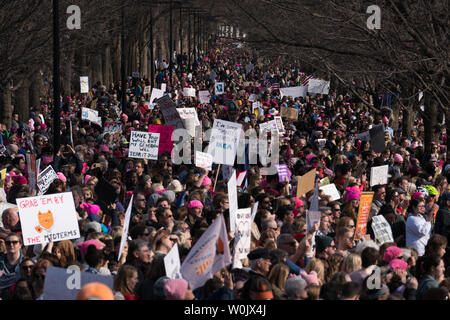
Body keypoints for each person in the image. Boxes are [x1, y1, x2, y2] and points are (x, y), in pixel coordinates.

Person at [0, 233, 23, 299]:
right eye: (8, 243)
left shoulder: (27, 264)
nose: (11, 245)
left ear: (20, 245)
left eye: (15, 242)